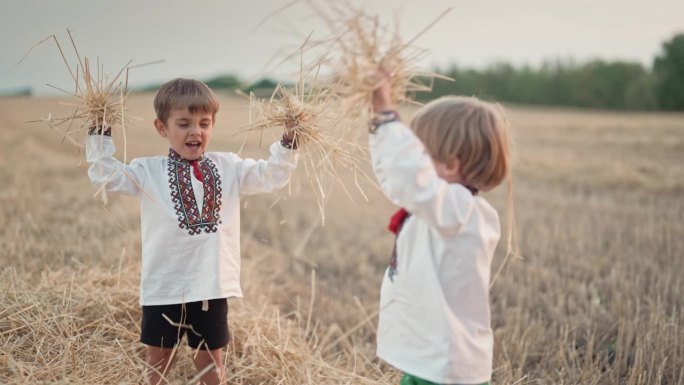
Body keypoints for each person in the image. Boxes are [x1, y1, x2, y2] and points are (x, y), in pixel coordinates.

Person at [86, 78, 299, 385]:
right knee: (157, 364)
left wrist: (290, 138)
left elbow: (272, 175)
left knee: (210, 366)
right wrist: (99, 130)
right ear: (162, 128)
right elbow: (106, 177)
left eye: (204, 123)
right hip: (164, 286)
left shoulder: (229, 168)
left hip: (210, 287)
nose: (195, 131)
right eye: (184, 123)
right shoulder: (149, 172)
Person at [367, 69, 511, 385]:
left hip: (446, 367)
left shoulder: (461, 211)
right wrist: (379, 125)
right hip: (430, 361)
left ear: (450, 164)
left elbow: (408, 178)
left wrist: (386, 113)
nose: (413, 161)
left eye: (419, 153)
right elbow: (398, 180)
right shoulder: (444, 207)